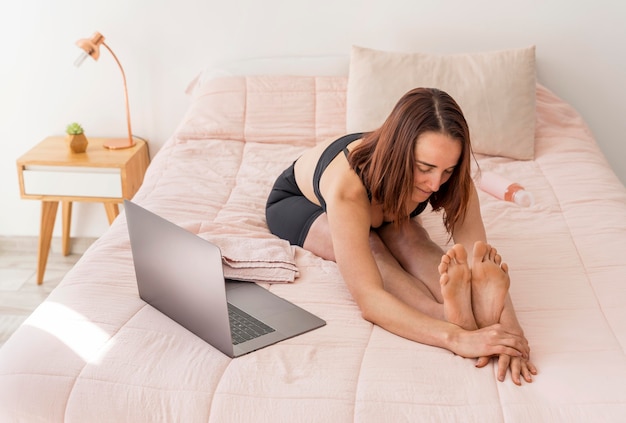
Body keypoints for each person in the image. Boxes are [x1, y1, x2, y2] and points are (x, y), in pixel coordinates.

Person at [266, 87, 537, 385]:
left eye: (447, 170)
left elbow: (480, 258)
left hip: (384, 199)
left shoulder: (449, 175)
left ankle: (464, 307)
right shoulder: (349, 188)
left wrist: (512, 332)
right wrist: (455, 338)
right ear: (400, 153)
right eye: (425, 168)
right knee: (374, 250)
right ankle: (446, 314)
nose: (436, 184)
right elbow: (369, 298)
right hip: (299, 202)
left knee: (417, 241)